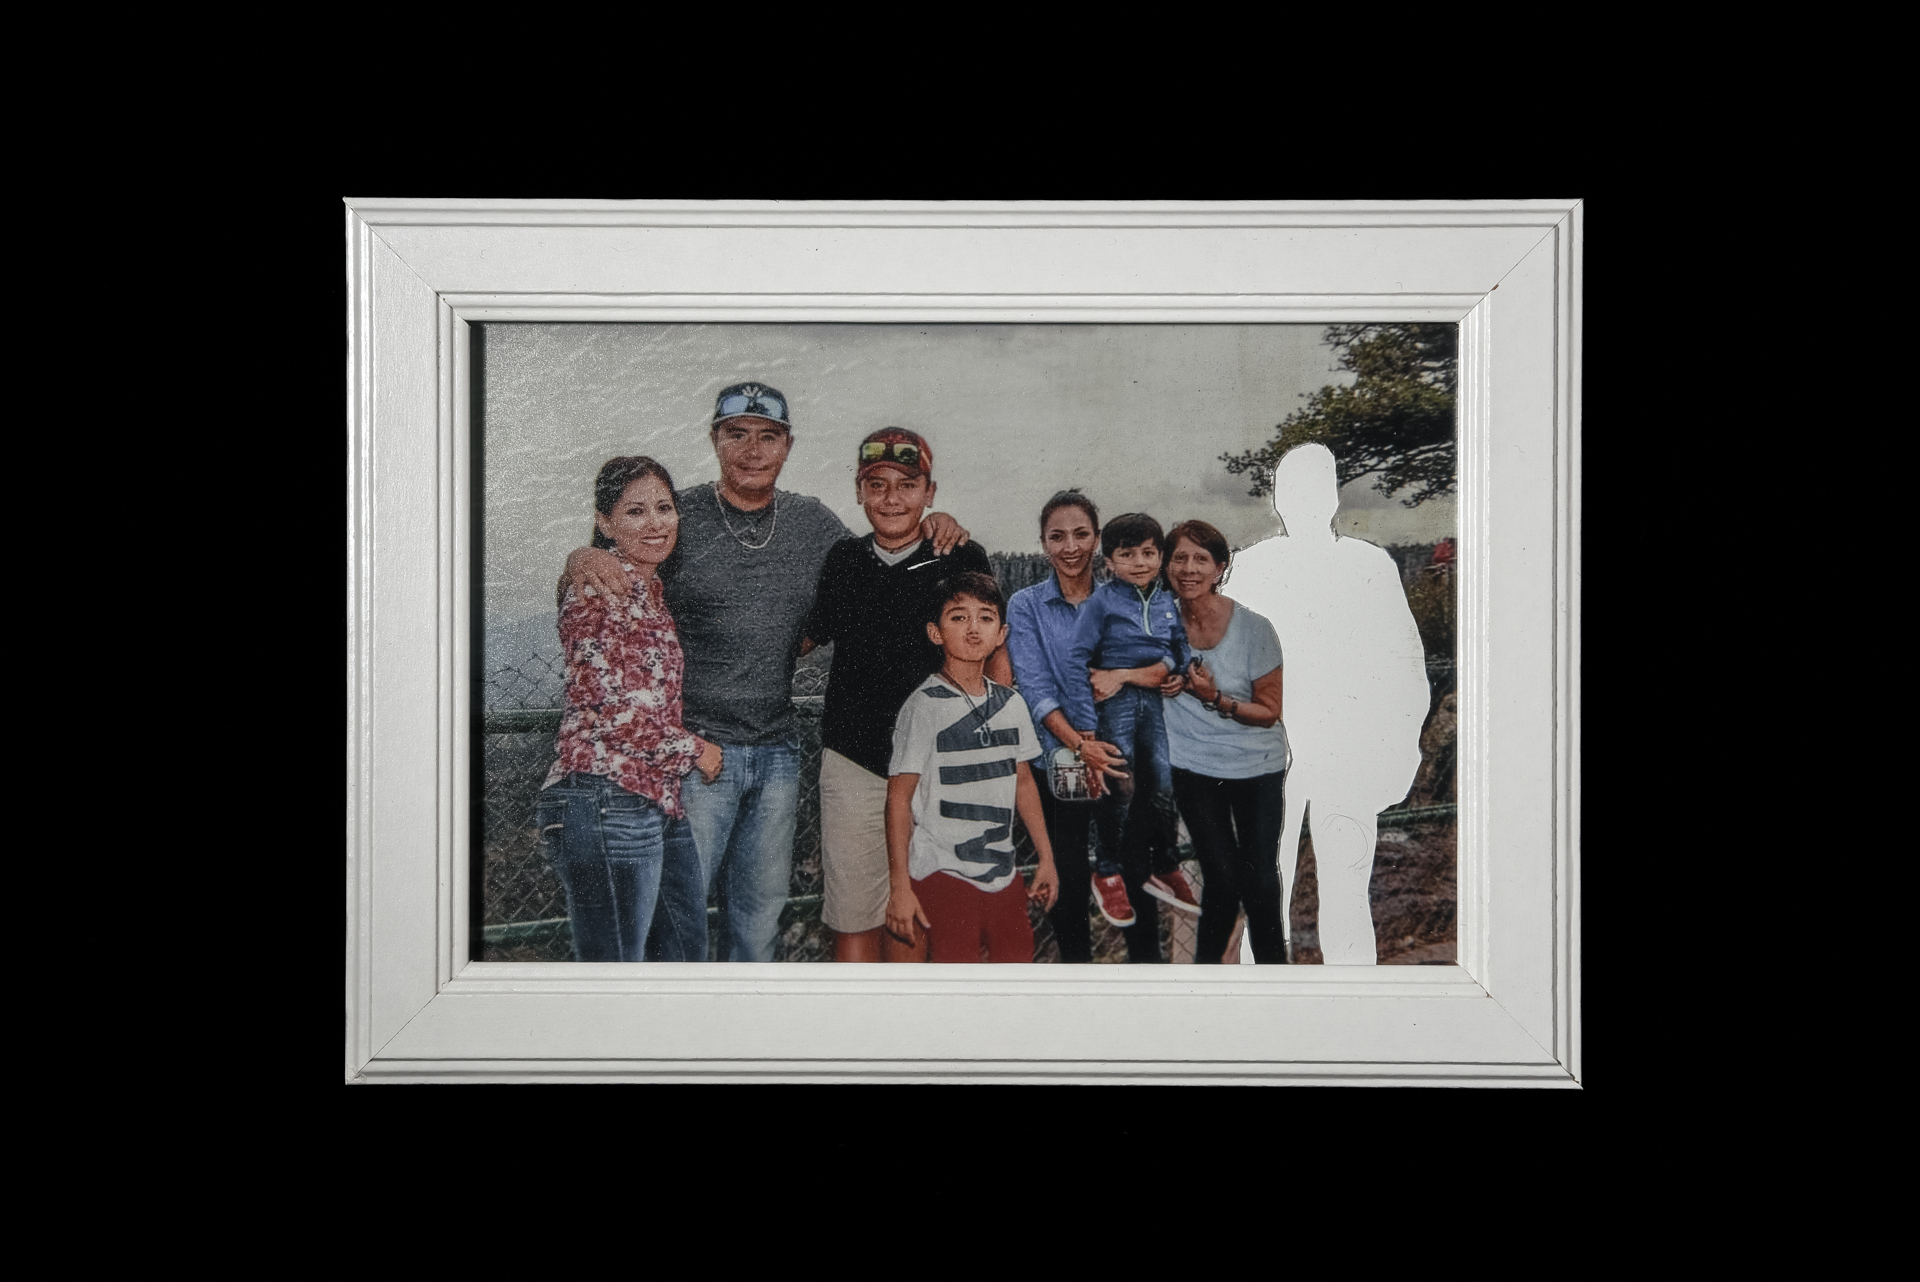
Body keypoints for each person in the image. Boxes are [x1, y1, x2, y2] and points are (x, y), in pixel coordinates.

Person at [561, 383, 969, 962]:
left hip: (776, 752)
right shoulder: (677, 515)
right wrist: (579, 558)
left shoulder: (811, 522)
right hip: (695, 752)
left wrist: (935, 523)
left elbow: (878, 558)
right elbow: (608, 573)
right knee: (677, 923)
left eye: (768, 436)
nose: (753, 450)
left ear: (787, 445)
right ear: (715, 440)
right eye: (737, 434)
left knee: (758, 923)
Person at [802, 429, 1001, 962]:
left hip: (937, 764)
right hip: (855, 760)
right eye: (877, 485)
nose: (891, 498)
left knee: (914, 912)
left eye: (907, 485)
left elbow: (995, 652)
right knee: (853, 913)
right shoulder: (844, 559)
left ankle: (903, 1012)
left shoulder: (960, 555)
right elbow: (808, 634)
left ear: (929, 493)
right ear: (859, 491)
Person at [1228, 444, 1428, 964]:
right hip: (1269, 755)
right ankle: (1263, 1004)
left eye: (1315, 489)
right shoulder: (1250, 567)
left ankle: (1353, 1000)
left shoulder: (1370, 567)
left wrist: (1397, 750)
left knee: (1347, 892)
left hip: (1346, 754)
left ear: (1333, 498)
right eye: (1291, 490)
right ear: (1278, 498)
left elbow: (1404, 666)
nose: (1302, 501)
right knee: (1264, 895)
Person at [535, 457, 723, 962]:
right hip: (605, 798)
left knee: (683, 957)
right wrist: (695, 750)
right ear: (605, 521)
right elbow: (606, 709)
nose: (655, 523)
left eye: (664, 508)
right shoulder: (598, 588)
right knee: (615, 972)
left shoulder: (650, 592)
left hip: (657, 798)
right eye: (635, 511)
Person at [886, 573, 1060, 963]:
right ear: (935, 632)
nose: (973, 628)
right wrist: (900, 886)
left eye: (985, 617)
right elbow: (898, 798)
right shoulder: (923, 706)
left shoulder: (1011, 704)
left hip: (1003, 872)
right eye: (958, 617)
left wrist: (1046, 857)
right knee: (958, 976)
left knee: (1015, 967)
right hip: (942, 872)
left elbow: (1023, 782)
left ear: (1001, 634)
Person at [1061, 513, 1201, 960]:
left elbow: (1179, 649)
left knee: (1162, 782)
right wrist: (1086, 724)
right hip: (1114, 706)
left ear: (1160, 557)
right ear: (1109, 562)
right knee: (1121, 786)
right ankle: (1107, 872)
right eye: (1127, 554)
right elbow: (1077, 660)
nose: (1139, 562)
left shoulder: (1166, 602)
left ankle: (1166, 866)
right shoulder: (1101, 603)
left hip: (1152, 705)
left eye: (1148, 553)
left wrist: (1175, 672)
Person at [1003, 490, 1132, 962]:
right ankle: (1078, 974)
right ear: (1043, 544)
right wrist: (1081, 745)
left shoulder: (1122, 600)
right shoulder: (1027, 606)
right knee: (1069, 878)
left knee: (1133, 879)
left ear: (1097, 539)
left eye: (1081, 534)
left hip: (1118, 757)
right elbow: (1036, 690)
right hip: (1059, 759)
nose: (1070, 547)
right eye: (1057, 537)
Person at [1158, 519, 1290, 964]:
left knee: (1259, 881)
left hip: (1256, 766)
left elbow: (1269, 711)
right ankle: (1205, 983)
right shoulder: (1157, 624)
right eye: (1179, 558)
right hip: (1194, 766)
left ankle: (1276, 979)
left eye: (1201, 559)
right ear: (1166, 565)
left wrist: (1213, 697)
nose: (1189, 569)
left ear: (1219, 568)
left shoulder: (1254, 629)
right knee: (1221, 878)